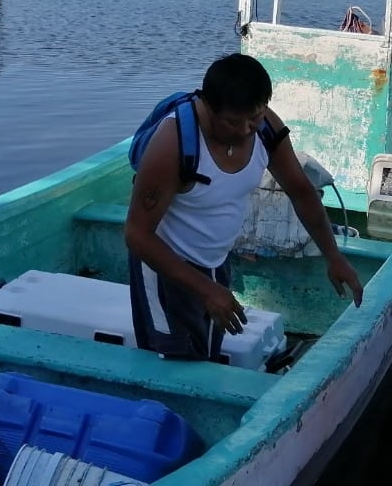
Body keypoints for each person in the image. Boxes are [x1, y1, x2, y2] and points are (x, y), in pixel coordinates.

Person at [125, 52, 366, 361]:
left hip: (216, 261)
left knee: (206, 354)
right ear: (208, 108)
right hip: (167, 270)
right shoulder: (173, 143)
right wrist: (207, 290)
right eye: (233, 122)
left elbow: (301, 191)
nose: (245, 130)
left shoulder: (265, 126)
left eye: (254, 118)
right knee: (177, 361)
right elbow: (136, 235)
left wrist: (334, 257)